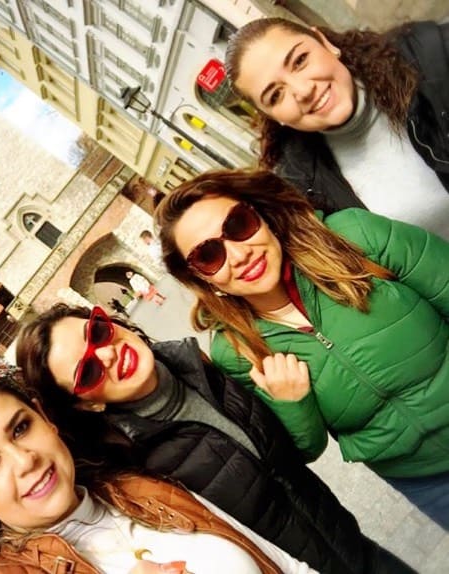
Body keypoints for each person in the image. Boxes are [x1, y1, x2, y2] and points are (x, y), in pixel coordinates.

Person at [15, 303, 413, 573]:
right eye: (86, 373)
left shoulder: (205, 366)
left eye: (98, 332)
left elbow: (289, 458)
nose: (106, 355)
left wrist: (294, 405)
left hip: (355, 545)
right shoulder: (137, 467)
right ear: (87, 406)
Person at [155, 168, 449, 530]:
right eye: (209, 255)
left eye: (238, 224)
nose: (239, 254)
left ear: (262, 216)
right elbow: (304, 450)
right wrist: (293, 403)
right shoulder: (236, 352)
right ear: (199, 277)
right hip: (426, 480)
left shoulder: (351, 236)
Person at [0, 361, 318, 574]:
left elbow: (286, 565)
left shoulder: (143, 489)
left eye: (21, 428)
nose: (24, 460)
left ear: (45, 418)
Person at [223, 18, 449, 238]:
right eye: (275, 95)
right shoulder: (306, 191)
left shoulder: (432, 58)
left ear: (325, 42)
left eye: (300, 60)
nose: (303, 90)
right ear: (273, 117)